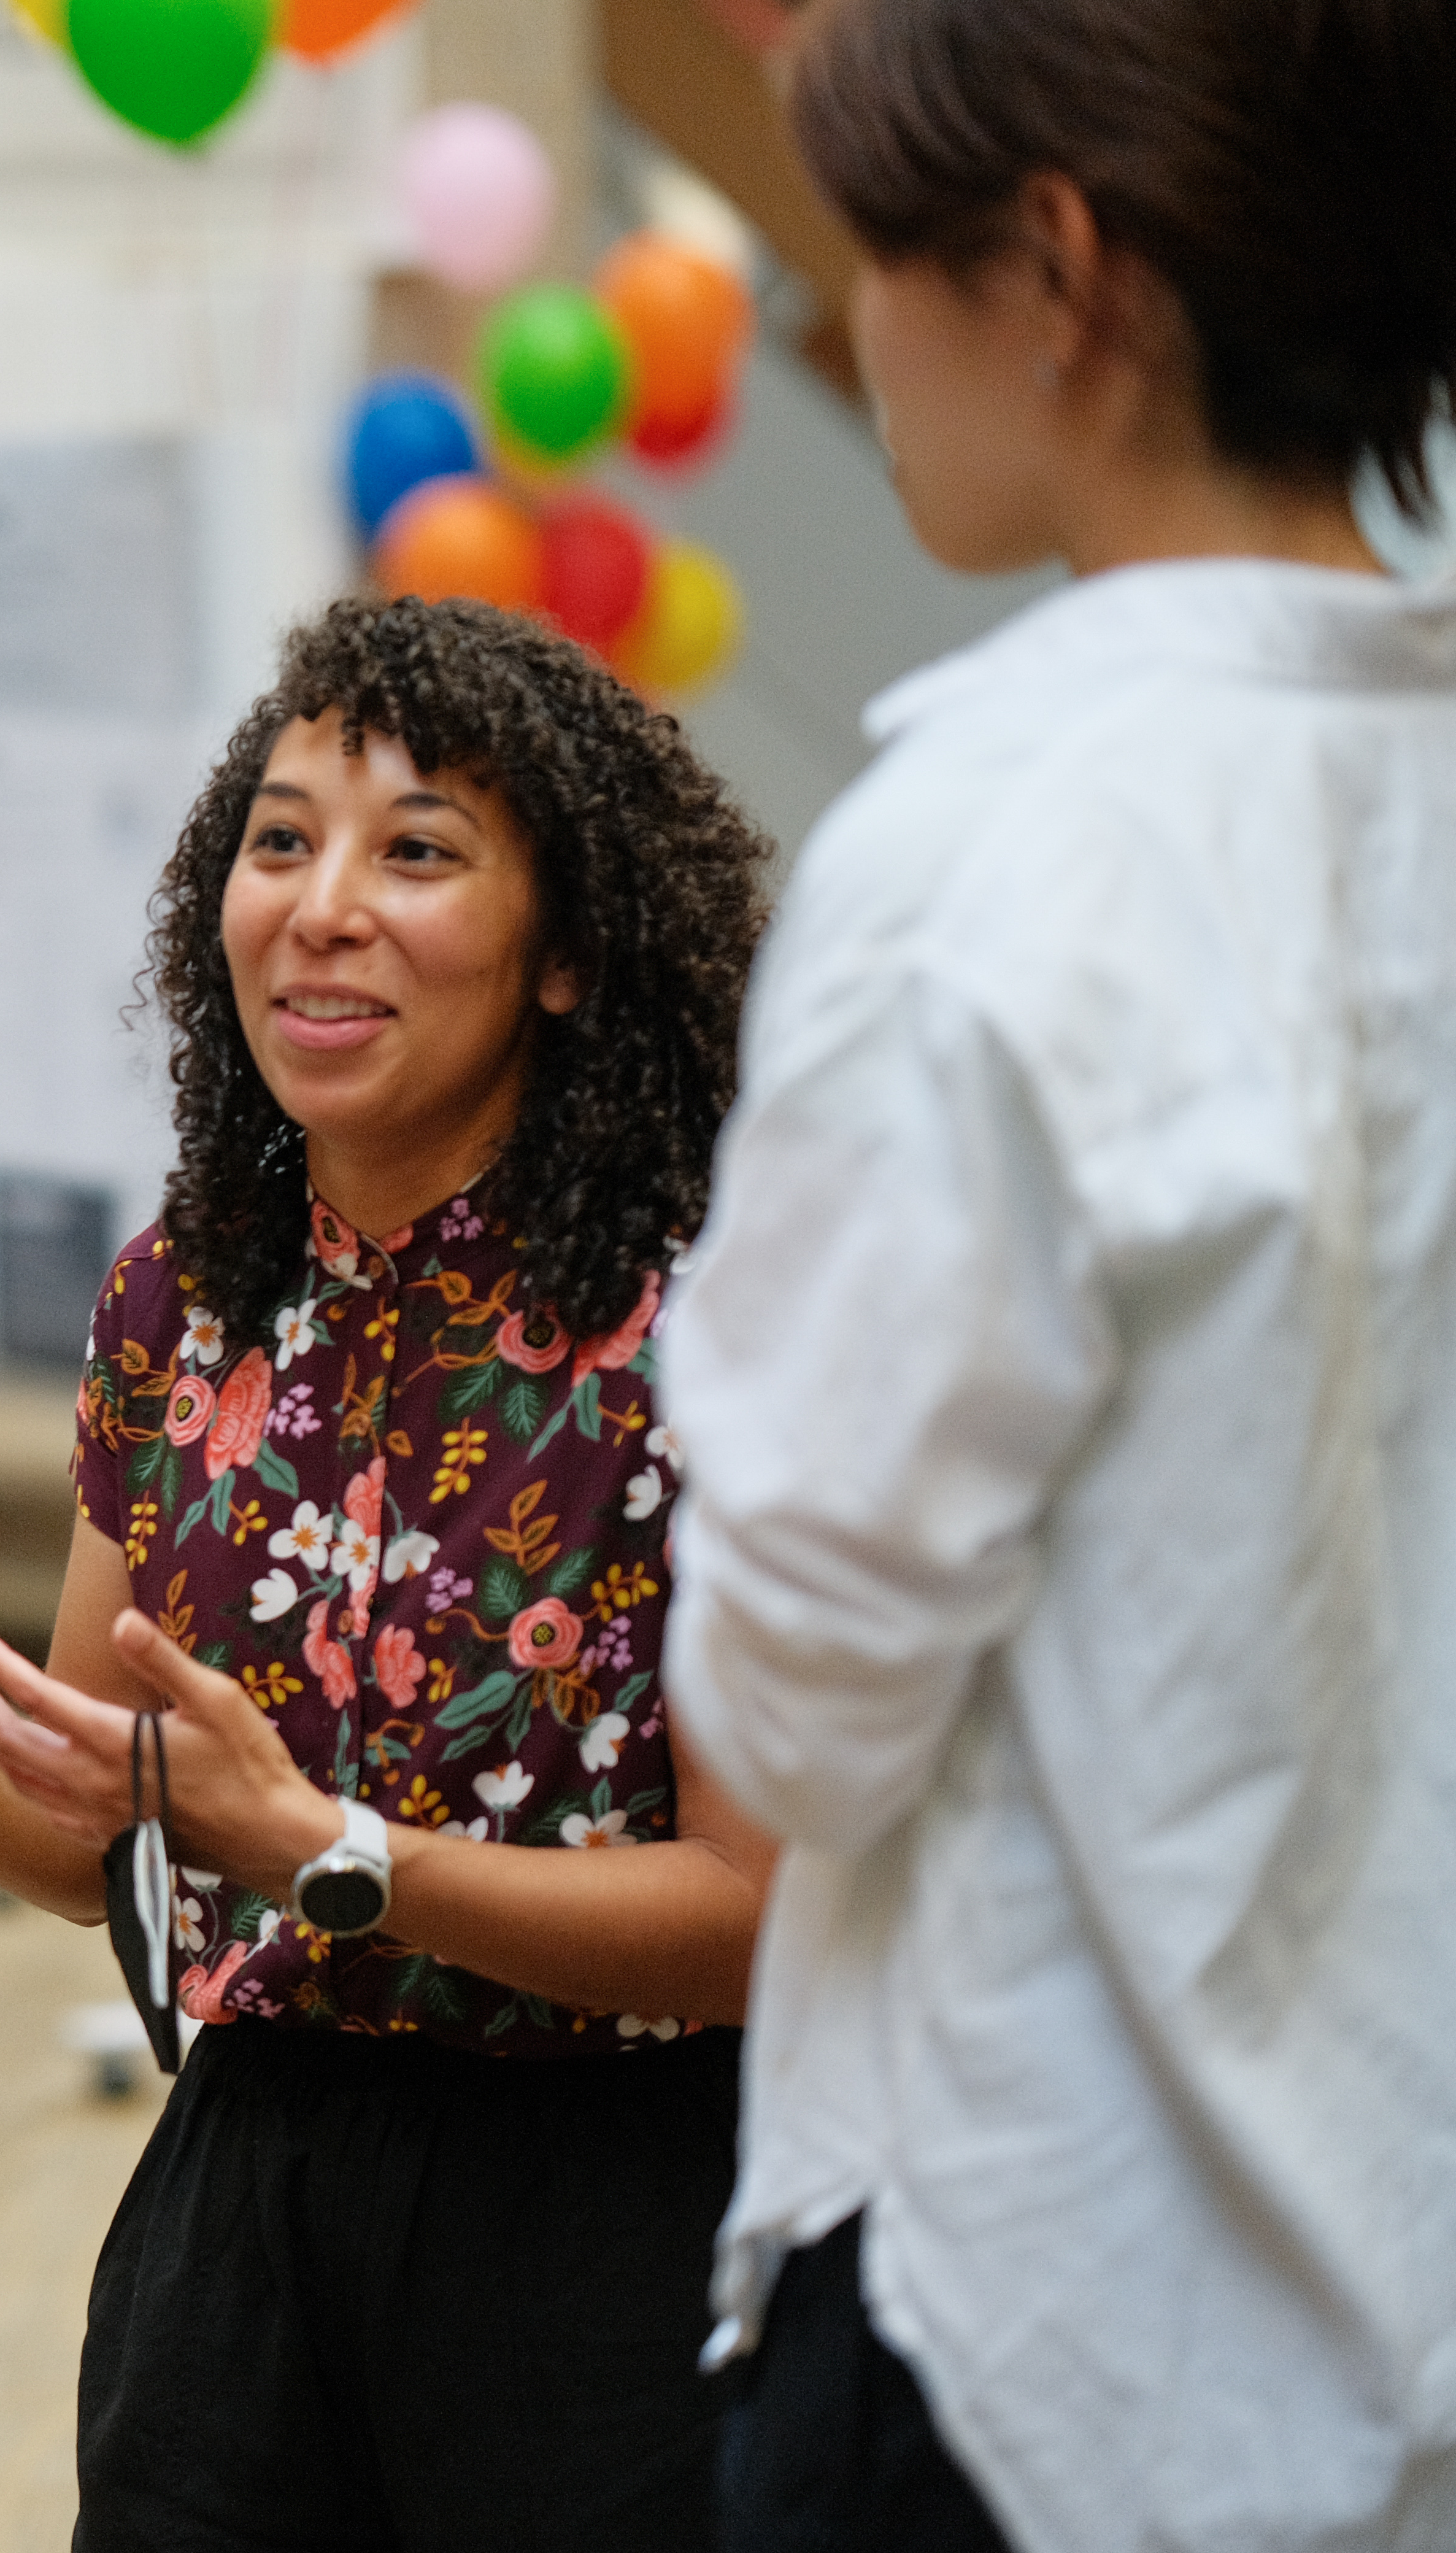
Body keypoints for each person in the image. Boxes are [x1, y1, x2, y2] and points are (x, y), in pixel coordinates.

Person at [651, 4, 1456, 2547]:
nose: (857, 318)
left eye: (883, 247)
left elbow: (797, 1686)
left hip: (1039, 2300)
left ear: (1065, 272)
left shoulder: (995, 840)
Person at [0, 595, 780, 2549]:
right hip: (241, 2236)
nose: (322, 905)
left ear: (573, 952)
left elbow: (769, 1911)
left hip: (607, 2235)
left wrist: (331, 1853)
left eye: (415, 849)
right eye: (281, 839)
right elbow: (115, 1831)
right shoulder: (189, 1296)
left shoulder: (716, 1330)